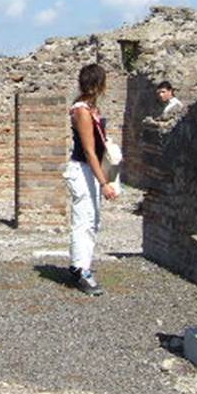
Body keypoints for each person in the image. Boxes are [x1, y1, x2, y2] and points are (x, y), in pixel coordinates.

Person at [63, 63, 118, 296]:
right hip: (83, 169)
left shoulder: (89, 108)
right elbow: (88, 150)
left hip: (90, 170)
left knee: (92, 219)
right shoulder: (82, 111)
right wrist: (104, 182)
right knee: (84, 219)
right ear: (98, 84)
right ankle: (80, 270)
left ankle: (82, 264)